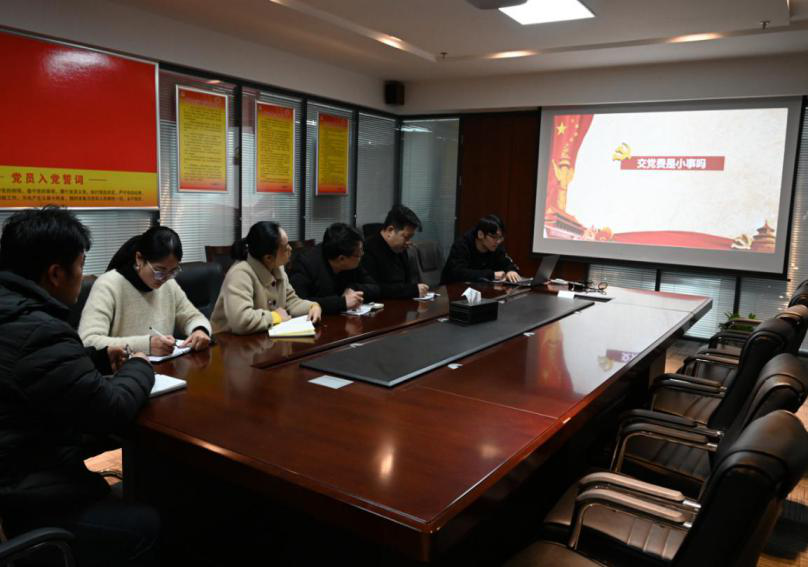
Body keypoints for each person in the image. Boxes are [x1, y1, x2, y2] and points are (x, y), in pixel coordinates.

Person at [0, 206, 159, 566]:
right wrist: (139, 365)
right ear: (56, 274)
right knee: (147, 521)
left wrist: (97, 359)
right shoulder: (41, 330)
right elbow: (111, 410)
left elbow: (33, 368)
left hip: (16, 471)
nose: (84, 275)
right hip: (26, 497)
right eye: (81, 265)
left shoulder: (13, 313)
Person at [79, 226, 211, 356]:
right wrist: (146, 345)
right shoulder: (108, 285)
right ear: (139, 258)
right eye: (159, 271)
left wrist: (199, 331)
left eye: (173, 271)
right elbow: (88, 341)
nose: (164, 278)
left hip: (164, 367)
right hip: (124, 368)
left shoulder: (168, 284)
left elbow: (193, 317)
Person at [211, 221, 321, 334]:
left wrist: (312, 306)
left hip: (262, 337)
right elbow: (241, 321)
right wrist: (275, 317)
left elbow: (290, 301)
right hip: (228, 341)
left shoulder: (277, 268)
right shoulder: (240, 274)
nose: (290, 249)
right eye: (285, 248)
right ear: (268, 258)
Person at [288, 223, 380, 315]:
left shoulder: (352, 261)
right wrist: (342, 302)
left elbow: (375, 288)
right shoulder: (306, 264)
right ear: (342, 259)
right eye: (359, 254)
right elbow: (298, 303)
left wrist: (352, 288)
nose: (362, 254)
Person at [361, 205, 429, 299]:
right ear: (390, 230)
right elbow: (374, 289)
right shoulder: (367, 250)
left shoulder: (400, 248)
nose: (409, 242)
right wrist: (411, 290)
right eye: (406, 237)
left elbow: (407, 282)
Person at [440, 214, 522, 284]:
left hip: (480, 289)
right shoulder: (462, 245)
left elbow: (507, 262)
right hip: (452, 289)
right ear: (480, 234)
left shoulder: (495, 245)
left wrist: (511, 270)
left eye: (500, 237)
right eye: (494, 237)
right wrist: (491, 275)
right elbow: (458, 273)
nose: (498, 241)